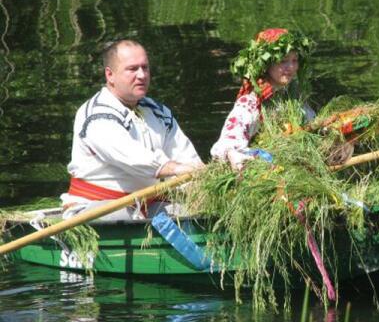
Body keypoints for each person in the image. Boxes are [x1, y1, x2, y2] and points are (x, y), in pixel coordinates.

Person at [60, 39, 205, 220]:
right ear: (110, 75)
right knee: (123, 217)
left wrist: (203, 181)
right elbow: (135, 159)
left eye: (145, 68)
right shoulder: (96, 116)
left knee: (201, 215)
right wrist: (179, 169)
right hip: (97, 206)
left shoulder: (158, 112)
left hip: (147, 203)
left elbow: (185, 156)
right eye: (132, 69)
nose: (142, 75)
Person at [210, 28, 315, 170]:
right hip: (265, 172)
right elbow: (229, 141)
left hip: (296, 167)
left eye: (294, 60)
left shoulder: (294, 98)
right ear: (266, 65)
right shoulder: (251, 103)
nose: (290, 67)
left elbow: (313, 127)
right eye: (283, 61)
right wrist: (234, 154)